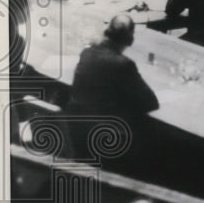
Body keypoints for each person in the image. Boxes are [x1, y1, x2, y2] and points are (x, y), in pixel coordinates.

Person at [67, 14, 159, 158]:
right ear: (130, 40)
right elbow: (151, 103)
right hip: (106, 138)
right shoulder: (123, 64)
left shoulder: (87, 52)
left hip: (76, 129)